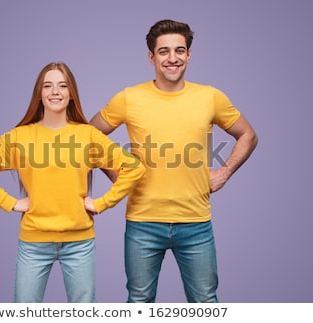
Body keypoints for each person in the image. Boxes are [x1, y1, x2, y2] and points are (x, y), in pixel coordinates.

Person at [89, 19, 258, 303]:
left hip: (195, 223)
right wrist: (118, 176)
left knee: (205, 302)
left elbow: (248, 135)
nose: (172, 58)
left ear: (189, 55)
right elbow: (88, 137)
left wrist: (225, 172)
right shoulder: (129, 98)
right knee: (139, 302)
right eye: (164, 51)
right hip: (143, 222)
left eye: (179, 51)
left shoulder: (210, 96)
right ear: (151, 57)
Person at [0, 62, 145, 303]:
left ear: (71, 95)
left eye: (62, 86)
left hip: (79, 243)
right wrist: (10, 203)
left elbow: (134, 167)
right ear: (40, 94)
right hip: (33, 244)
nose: (55, 91)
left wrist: (103, 202)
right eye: (47, 86)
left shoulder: (87, 135)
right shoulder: (19, 137)